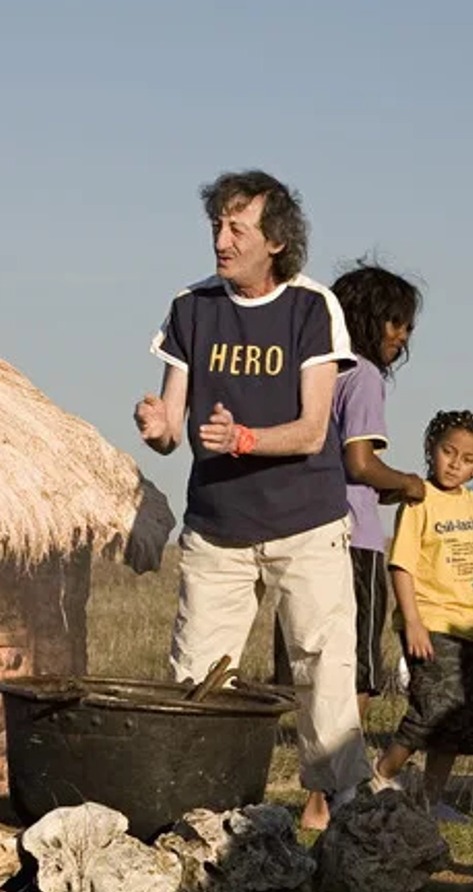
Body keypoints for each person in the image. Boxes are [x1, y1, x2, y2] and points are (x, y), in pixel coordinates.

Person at [135, 170, 371, 811]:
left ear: (275, 241)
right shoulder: (192, 307)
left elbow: (313, 429)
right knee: (198, 674)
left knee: (324, 670)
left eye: (237, 227)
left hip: (306, 522)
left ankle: (345, 813)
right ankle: (196, 809)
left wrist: (242, 439)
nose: (221, 238)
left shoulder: (311, 307)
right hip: (217, 528)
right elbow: (174, 429)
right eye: (217, 224)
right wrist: (159, 427)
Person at [272, 264, 428, 830]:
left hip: (298, 529)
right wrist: (409, 483)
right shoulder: (361, 377)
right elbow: (361, 462)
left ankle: (317, 791)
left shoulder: (310, 372)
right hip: (352, 539)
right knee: (356, 669)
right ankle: (327, 797)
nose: (402, 336)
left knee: (308, 664)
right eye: (396, 322)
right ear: (370, 320)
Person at [372, 410, 473, 812]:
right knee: (431, 710)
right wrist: (413, 624)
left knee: (459, 719)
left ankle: (429, 800)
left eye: (467, 459)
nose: (455, 463)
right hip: (429, 623)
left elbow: (472, 572)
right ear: (432, 449)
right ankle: (380, 779)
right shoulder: (418, 500)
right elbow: (402, 566)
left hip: (469, 627)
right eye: (448, 451)